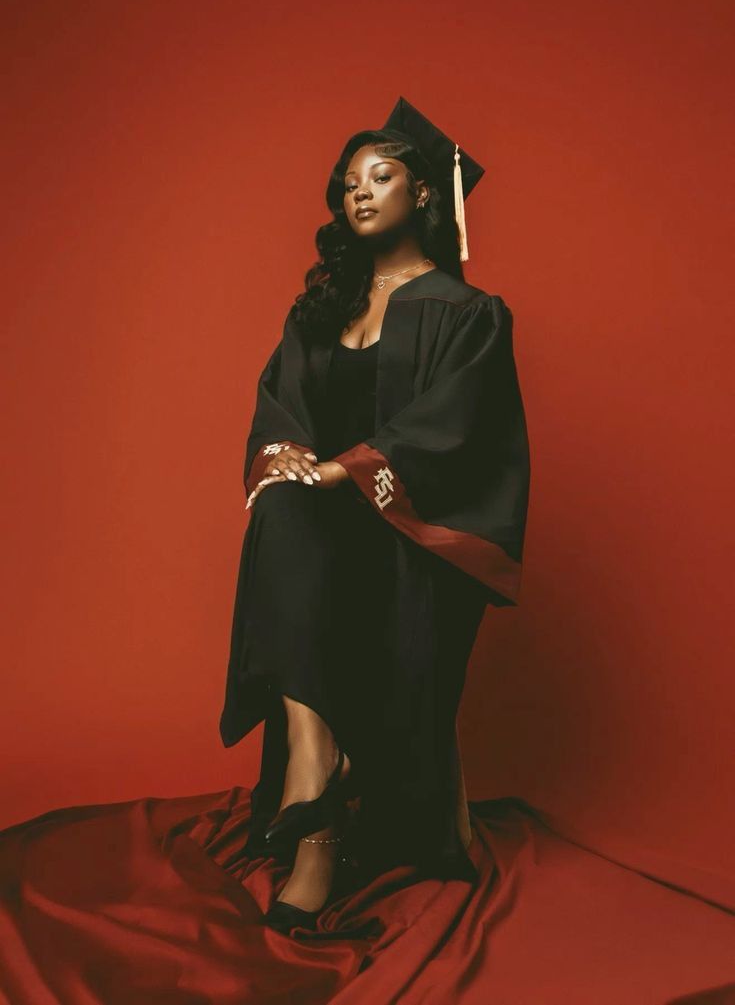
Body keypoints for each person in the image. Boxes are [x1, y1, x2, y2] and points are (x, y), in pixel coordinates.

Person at [219, 96, 531, 934]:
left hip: (416, 529)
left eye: (380, 175)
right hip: (320, 521)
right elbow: (277, 405)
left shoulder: (468, 314)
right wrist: (288, 461)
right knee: (278, 509)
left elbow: (458, 433)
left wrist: (345, 470)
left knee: (304, 514)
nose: (358, 192)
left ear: (423, 193)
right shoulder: (318, 311)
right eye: (348, 181)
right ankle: (316, 794)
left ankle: (316, 809)